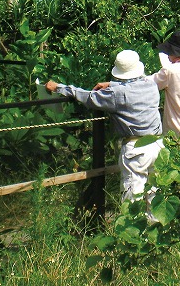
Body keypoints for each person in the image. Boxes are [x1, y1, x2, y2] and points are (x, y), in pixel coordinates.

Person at [46, 49, 162, 202]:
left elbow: (87, 97)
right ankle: (155, 225)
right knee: (155, 193)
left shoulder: (116, 94)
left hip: (136, 148)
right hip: (157, 144)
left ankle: (131, 225)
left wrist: (59, 88)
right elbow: (132, 86)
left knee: (133, 195)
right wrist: (112, 85)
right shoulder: (151, 85)